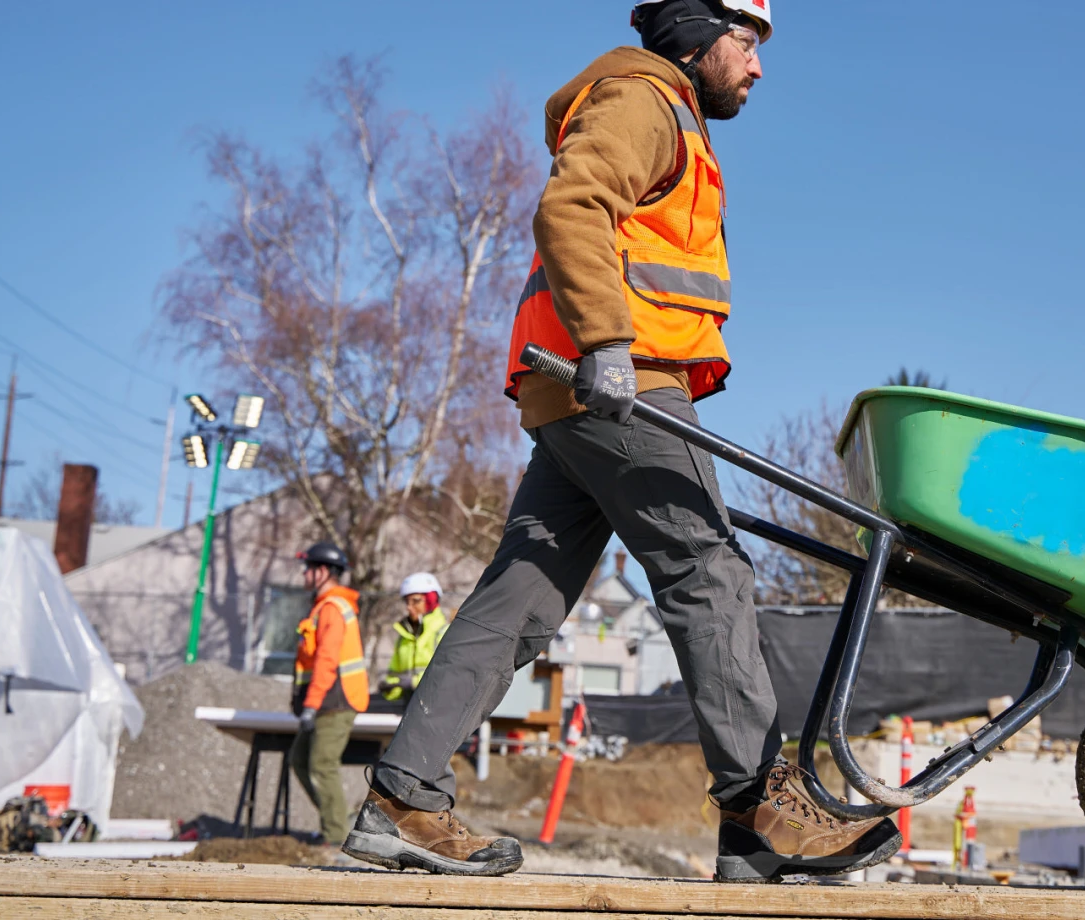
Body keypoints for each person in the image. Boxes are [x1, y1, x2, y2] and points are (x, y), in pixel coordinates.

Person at [342, 0, 900, 882]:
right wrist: (606, 341)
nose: (757, 68)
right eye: (747, 43)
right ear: (695, 31)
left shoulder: (657, 109)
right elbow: (571, 207)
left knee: (516, 602)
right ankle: (762, 812)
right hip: (621, 380)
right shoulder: (645, 100)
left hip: (576, 394)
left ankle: (402, 799)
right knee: (707, 570)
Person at [290, 541, 369, 846]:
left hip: (335, 701)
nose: (304, 574)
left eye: (308, 568)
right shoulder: (323, 606)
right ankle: (336, 820)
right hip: (325, 701)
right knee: (299, 759)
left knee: (322, 765)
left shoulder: (333, 608)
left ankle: (335, 837)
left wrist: (310, 705)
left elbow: (326, 660)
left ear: (322, 571)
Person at [379, 573, 449, 703]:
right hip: (410, 705)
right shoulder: (404, 637)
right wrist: (389, 687)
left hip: (438, 706)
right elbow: (395, 675)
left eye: (416, 601)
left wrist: (413, 682)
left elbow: (448, 674)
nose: (409, 607)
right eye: (407, 601)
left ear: (430, 601)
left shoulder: (444, 633)